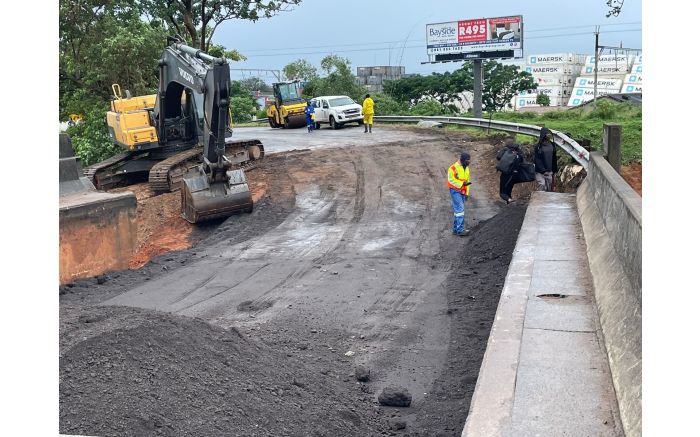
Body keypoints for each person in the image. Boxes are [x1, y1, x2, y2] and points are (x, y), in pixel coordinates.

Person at [446, 152, 472, 236]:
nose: (469, 162)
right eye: (468, 160)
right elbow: (451, 180)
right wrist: (461, 184)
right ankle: (460, 230)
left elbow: (467, 180)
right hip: (455, 191)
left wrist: (467, 192)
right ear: (463, 160)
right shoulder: (453, 168)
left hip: (463, 191)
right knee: (460, 209)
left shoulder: (466, 167)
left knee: (458, 211)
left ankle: (455, 229)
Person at [496, 136, 524, 204]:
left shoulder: (505, 150)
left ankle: (509, 200)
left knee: (502, 193)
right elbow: (522, 160)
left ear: (506, 143)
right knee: (509, 189)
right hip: (515, 174)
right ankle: (509, 202)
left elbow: (498, 157)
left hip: (506, 173)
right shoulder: (518, 150)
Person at [534, 127, 558, 191]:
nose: (549, 135)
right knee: (542, 184)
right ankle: (539, 199)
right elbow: (537, 160)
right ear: (543, 134)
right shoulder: (539, 146)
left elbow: (554, 158)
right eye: (547, 133)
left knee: (549, 187)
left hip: (550, 171)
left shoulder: (552, 145)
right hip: (540, 171)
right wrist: (543, 170)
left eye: (550, 133)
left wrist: (555, 170)